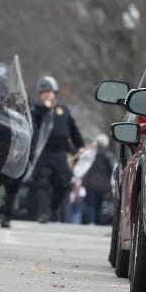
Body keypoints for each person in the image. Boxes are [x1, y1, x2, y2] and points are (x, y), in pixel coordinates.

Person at [30, 76, 84, 224]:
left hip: (60, 152)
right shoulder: (37, 110)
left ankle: (53, 208)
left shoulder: (63, 110)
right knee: (42, 183)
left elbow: (73, 130)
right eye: (43, 92)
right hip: (44, 152)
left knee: (64, 182)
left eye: (49, 91)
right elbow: (33, 126)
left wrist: (80, 145)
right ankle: (43, 214)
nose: (46, 94)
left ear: (55, 92)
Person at [82, 134, 115, 225]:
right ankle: (98, 221)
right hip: (103, 184)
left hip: (90, 182)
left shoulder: (91, 153)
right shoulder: (108, 155)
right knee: (99, 204)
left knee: (91, 204)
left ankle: (91, 221)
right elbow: (111, 169)